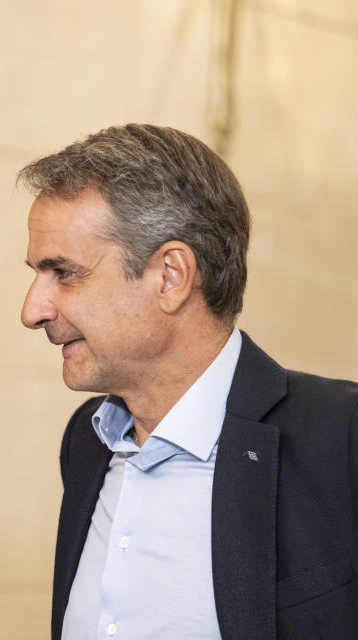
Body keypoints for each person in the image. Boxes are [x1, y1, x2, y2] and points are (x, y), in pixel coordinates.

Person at [18, 124, 358, 640]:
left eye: (63, 272)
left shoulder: (342, 437)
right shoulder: (86, 440)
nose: (32, 311)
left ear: (171, 276)